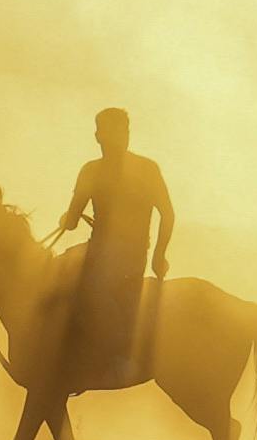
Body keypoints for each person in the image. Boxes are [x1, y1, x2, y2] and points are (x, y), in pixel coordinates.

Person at [47, 107, 174, 387]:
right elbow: (72, 220)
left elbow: (167, 213)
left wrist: (159, 254)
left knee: (92, 288)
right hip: (97, 251)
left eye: (123, 131)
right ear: (98, 136)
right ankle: (62, 354)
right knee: (55, 273)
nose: (120, 138)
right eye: (114, 132)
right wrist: (68, 219)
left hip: (128, 255)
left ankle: (118, 353)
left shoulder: (141, 169)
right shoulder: (94, 171)